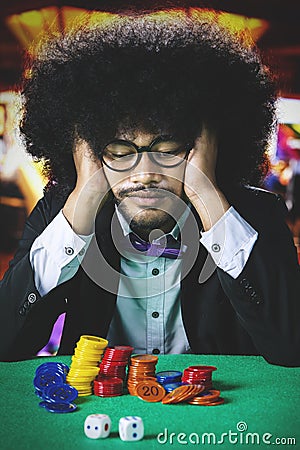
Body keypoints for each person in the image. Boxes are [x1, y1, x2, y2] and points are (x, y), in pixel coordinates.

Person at [0, 11, 299, 365]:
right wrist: (82, 203)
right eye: (121, 151)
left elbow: (290, 347)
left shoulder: (254, 215)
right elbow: (7, 345)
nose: (144, 173)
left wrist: (208, 198)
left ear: (206, 148)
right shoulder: (59, 215)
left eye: (167, 150)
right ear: (91, 153)